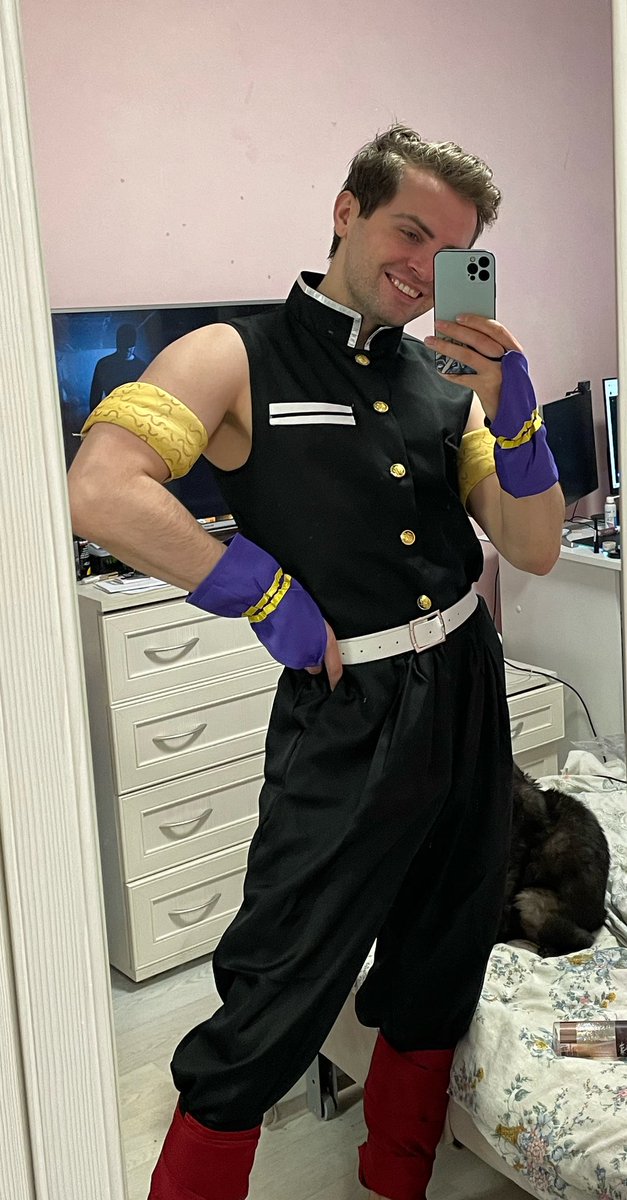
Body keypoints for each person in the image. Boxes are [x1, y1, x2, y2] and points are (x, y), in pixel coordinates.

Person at [68, 125, 564, 1200]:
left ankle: (395, 1180)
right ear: (347, 212)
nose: (424, 269)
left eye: (453, 254)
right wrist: (257, 589)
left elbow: (532, 547)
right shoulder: (232, 354)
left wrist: (515, 410)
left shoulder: (443, 383)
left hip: (468, 689)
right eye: (408, 232)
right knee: (281, 972)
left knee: (445, 951)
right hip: (350, 711)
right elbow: (101, 489)